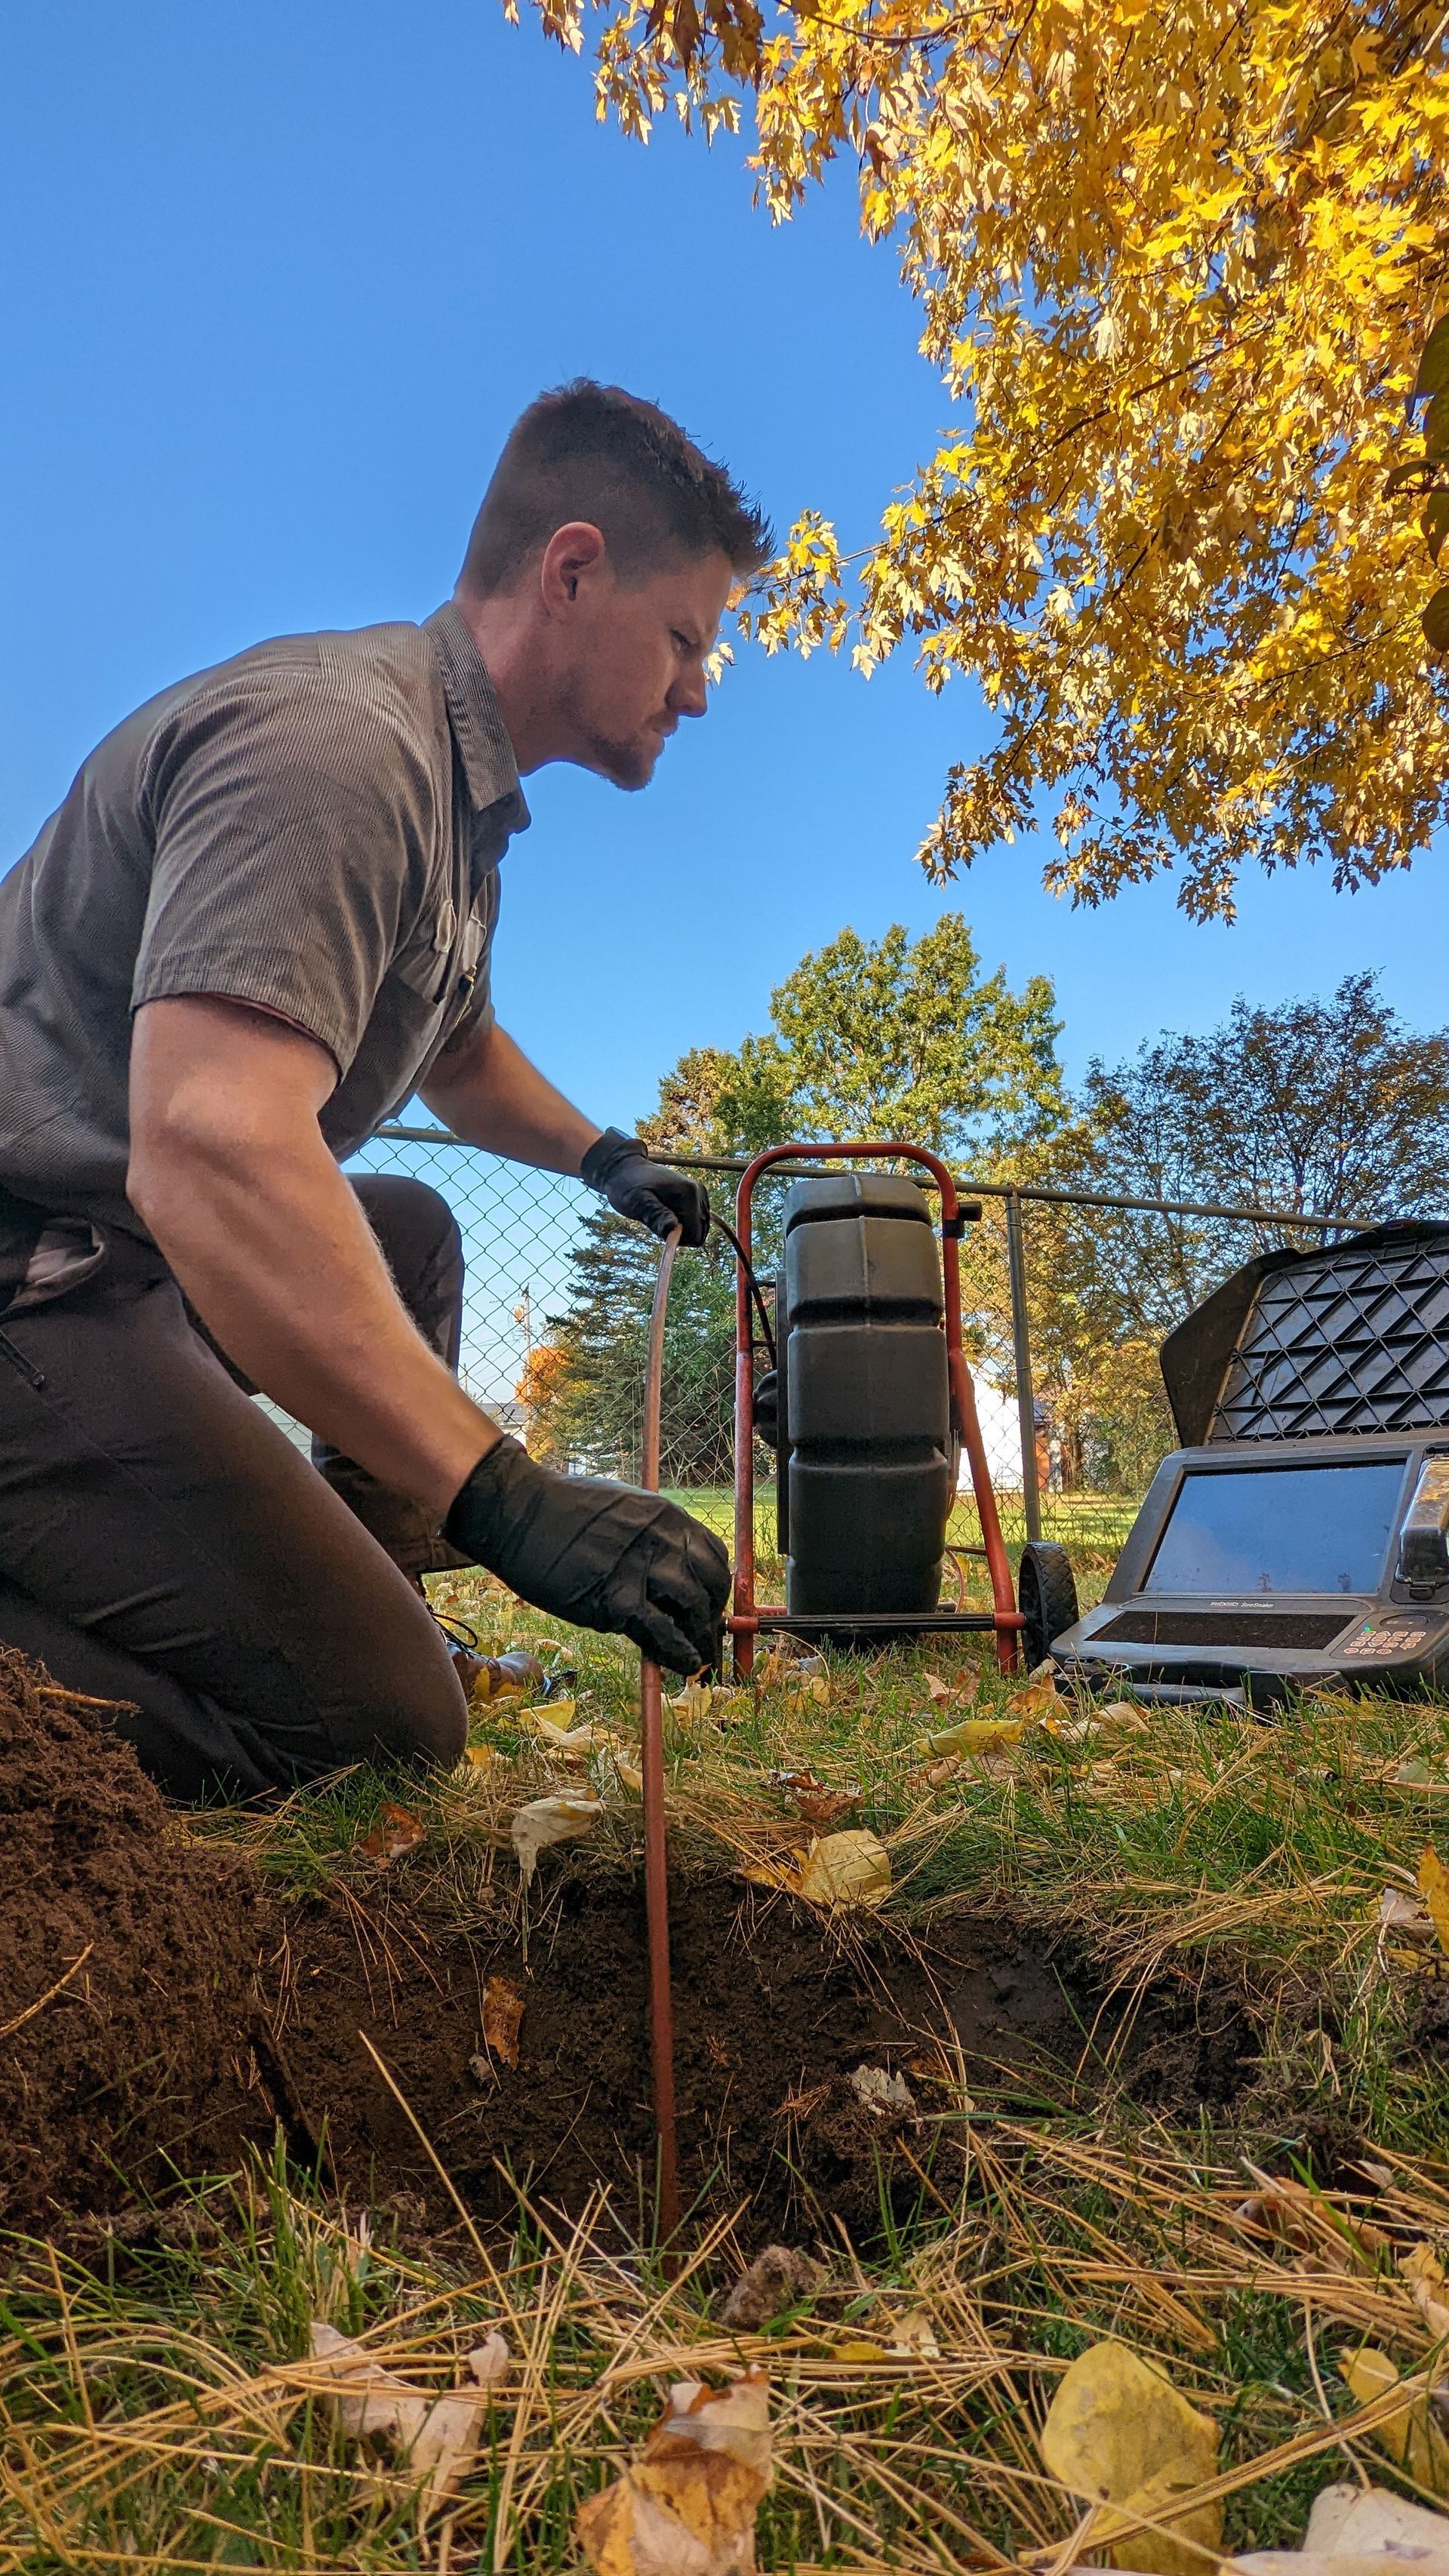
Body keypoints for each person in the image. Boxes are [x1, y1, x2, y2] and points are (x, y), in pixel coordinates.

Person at [0, 380, 772, 1800]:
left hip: (121, 1261)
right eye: (685, 639)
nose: (699, 686)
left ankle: (361, 1591)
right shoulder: (341, 754)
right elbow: (207, 1143)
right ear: (573, 569)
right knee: (376, 1728)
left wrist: (602, 1155)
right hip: (34, 1281)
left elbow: (458, 1048)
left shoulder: (452, 811)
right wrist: (508, 1495)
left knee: (407, 1224)